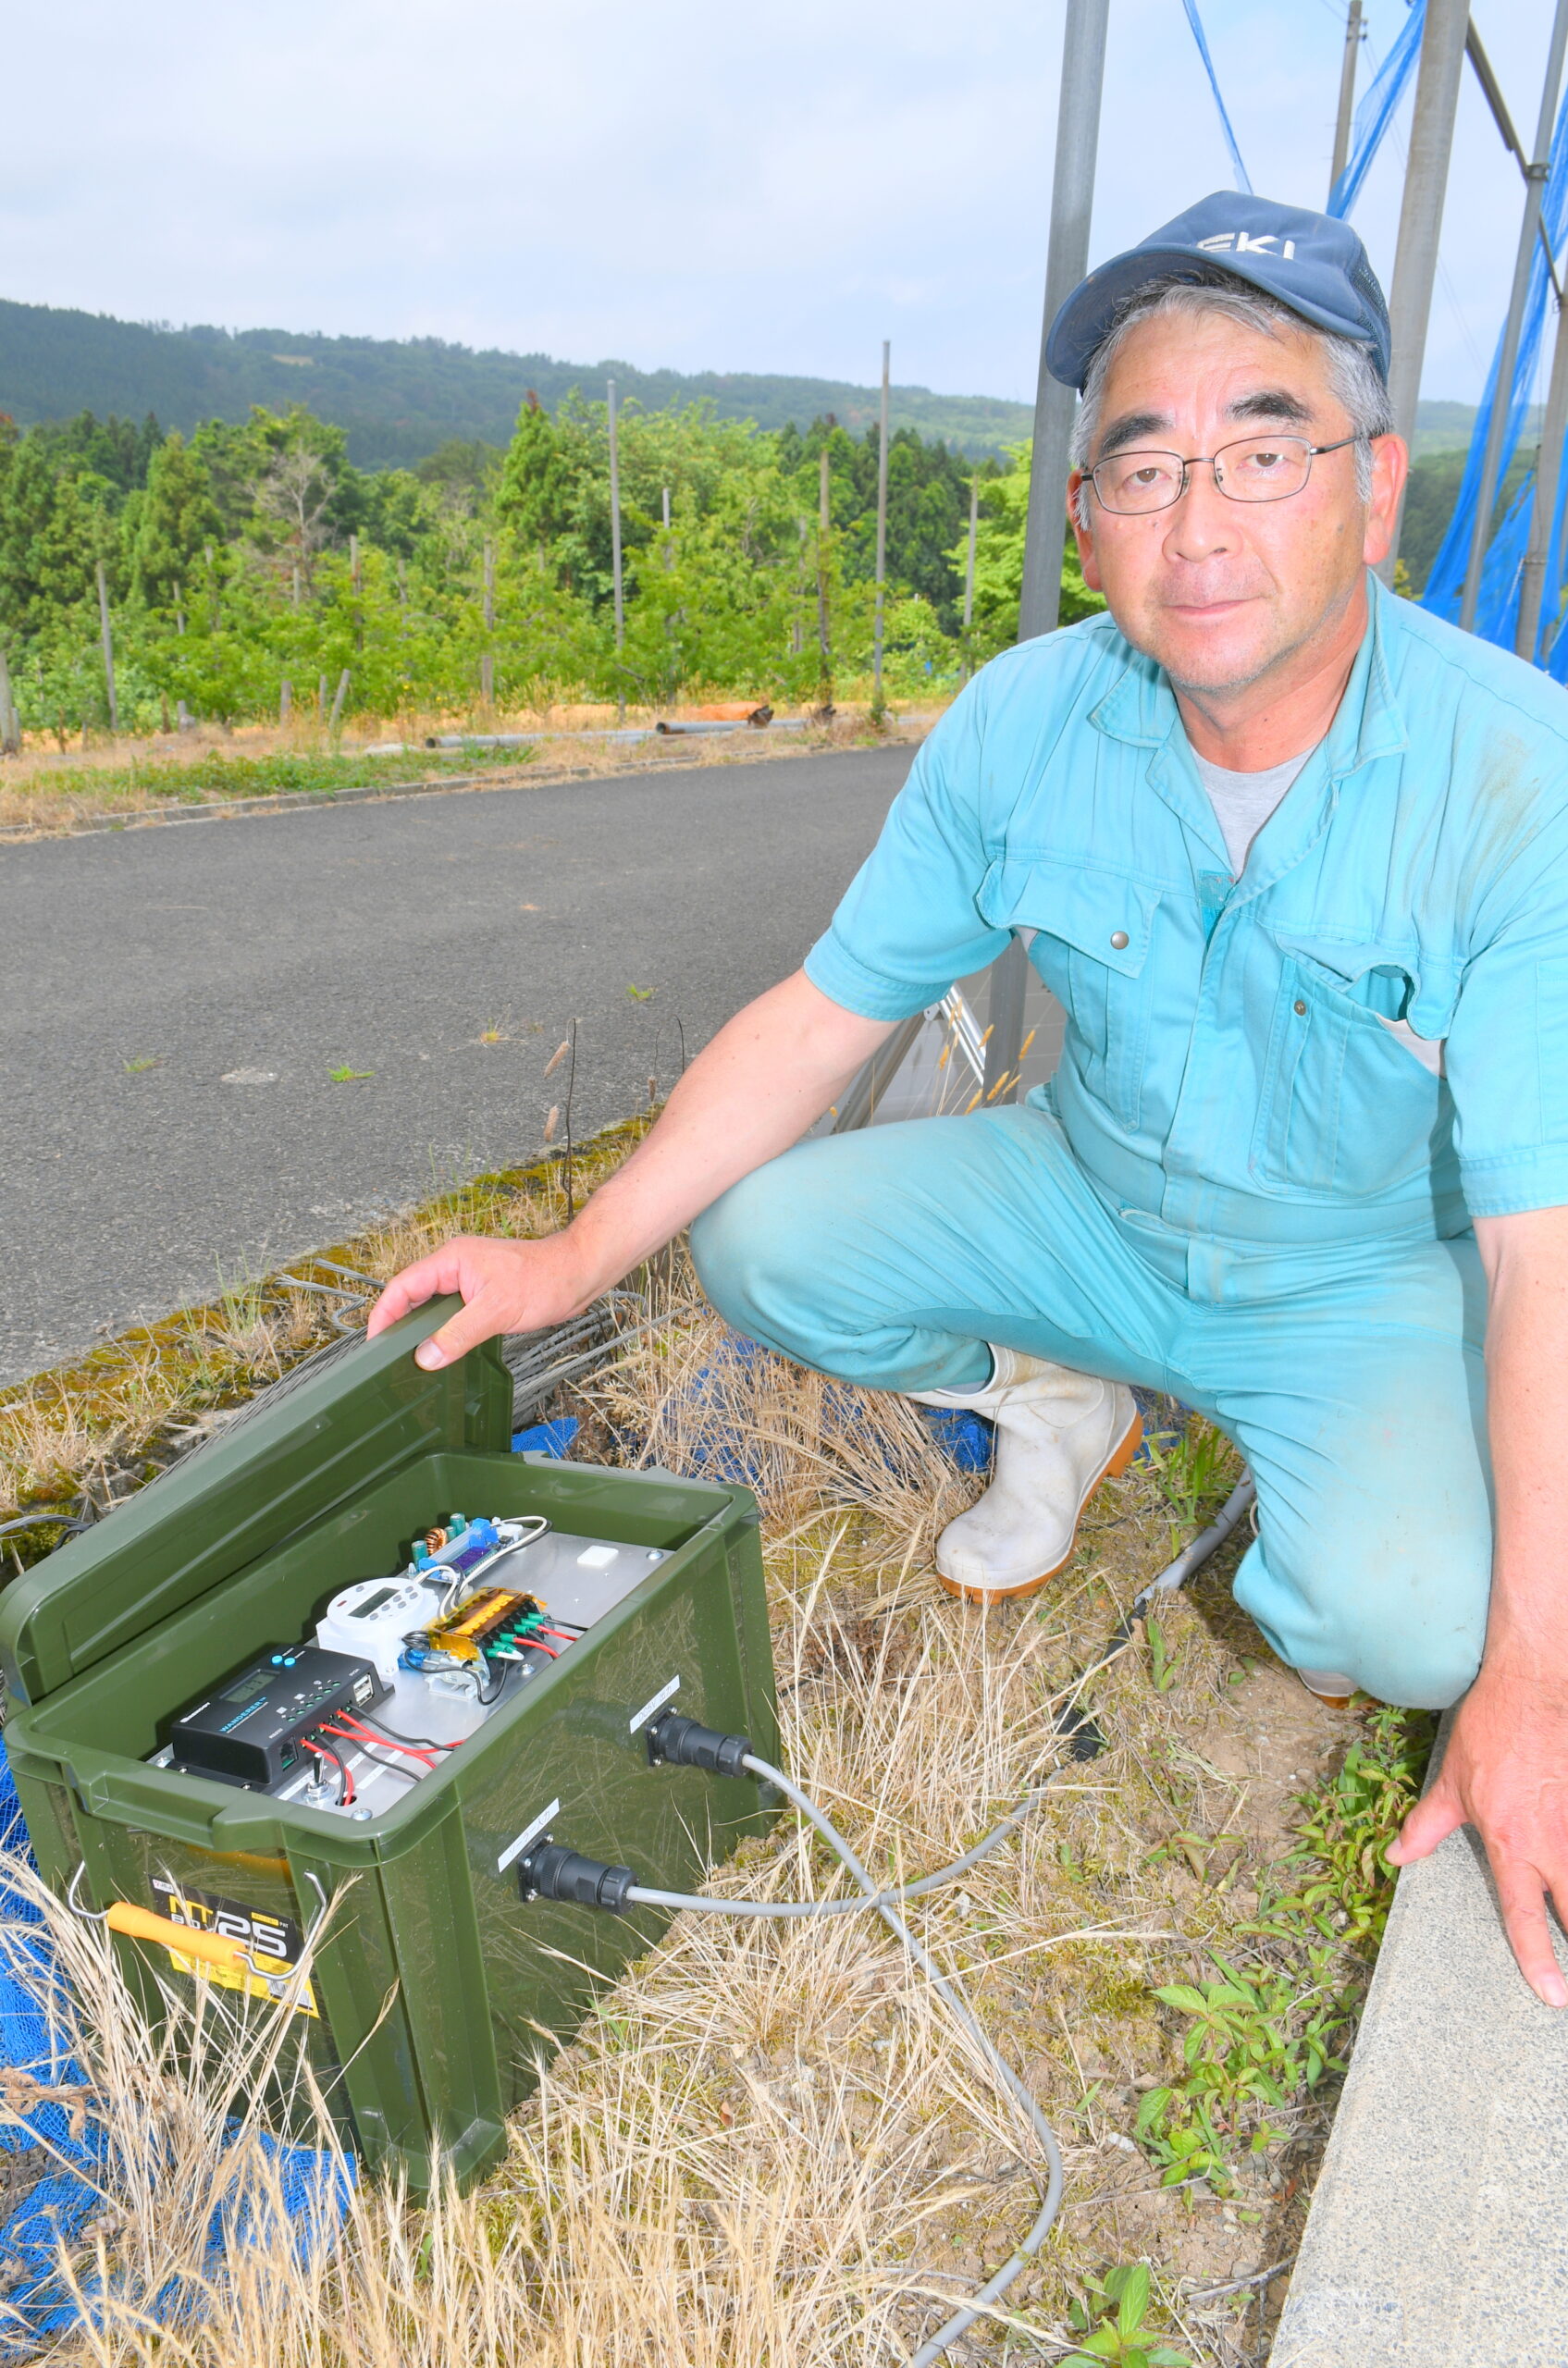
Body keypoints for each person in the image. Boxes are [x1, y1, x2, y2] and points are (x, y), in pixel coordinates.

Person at [368, 193, 1568, 2008]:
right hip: (1088, 1198)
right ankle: (1053, 1396)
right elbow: (817, 1015)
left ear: (1372, 488)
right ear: (1083, 521)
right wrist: (569, 1252)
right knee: (764, 1239)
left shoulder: (1513, 777)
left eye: (1261, 450)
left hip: (1360, 1277)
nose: (1197, 523)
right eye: (1141, 467)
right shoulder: (1019, 723)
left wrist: (1532, 1676)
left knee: (1402, 1624)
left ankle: (1324, 1490)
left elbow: (1538, 1246)